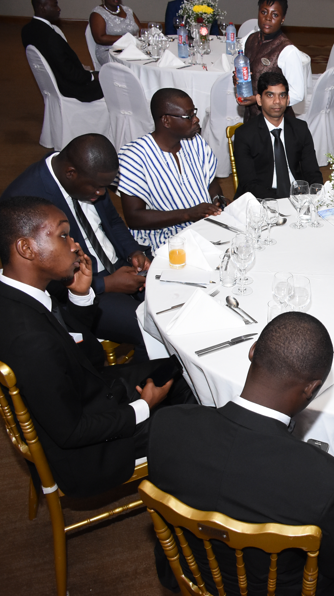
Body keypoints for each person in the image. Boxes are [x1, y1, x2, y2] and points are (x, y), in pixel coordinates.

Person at [148, 312, 334, 596]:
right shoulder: (325, 478)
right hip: (281, 589)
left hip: (195, 572)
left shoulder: (167, 424)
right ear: (312, 388)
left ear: (252, 352)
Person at [0, 196, 194, 499]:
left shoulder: (23, 292)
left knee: (183, 370)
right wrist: (143, 407)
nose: (74, 245)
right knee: (199, 425)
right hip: (90, 451)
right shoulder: (29, 339)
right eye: (63, 235)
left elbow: (86, 358)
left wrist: (81, 297)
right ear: (27, 248)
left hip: (90, 392)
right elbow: (71, 431)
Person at [1, 134, 151, 361]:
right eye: (98, 187)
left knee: (179, 298)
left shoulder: (91, 176)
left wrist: (133, 251)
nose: (102, 193)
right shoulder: (25, 199)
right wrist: (105, 284)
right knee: (150, 327)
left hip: (120, 264)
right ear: (71, 173)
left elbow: (112, 220)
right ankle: (143, 381)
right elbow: (37, 274)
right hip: (80, 290)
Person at [118, 88, 224, 254]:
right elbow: (134, 218)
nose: (196, 119)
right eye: (189, 116)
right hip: (163, 239)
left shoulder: (195, 142)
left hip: (203, 228)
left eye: (194, 113)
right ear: (166, 121)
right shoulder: (135, 156)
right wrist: (187, 214)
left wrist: (217, 199)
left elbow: (210, 182)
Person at [233, 72, 323, 199]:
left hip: (297, 195)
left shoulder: (300, 128)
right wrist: (281, 203)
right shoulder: (245, 134)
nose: (277, 101)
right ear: (259, 100)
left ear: (288, 99)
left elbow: (312, 173)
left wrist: (316, 195)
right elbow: (249, 184)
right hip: (260, 198)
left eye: (282, 95)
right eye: (270, 95)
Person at [237, 0, 311, 122]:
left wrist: (259, 100)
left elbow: (297, 94)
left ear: (282, 19)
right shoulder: (250, 39)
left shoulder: (288, 51)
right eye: (264, 12)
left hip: (276, 122)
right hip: (251, 118)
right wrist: (238, 79)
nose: (268, 18)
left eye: (275, 15)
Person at [21, 0, 103, 103]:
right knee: (113, 81)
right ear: (42, 7)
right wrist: (92, 76)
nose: (58, 9)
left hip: (54, 82)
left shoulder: (27, 30)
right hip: (71, 89)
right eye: (55, 5)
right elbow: (69, 73)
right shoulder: (51, 37)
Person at [89, 0, 141, 67]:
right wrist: (127, 38)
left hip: (131, 48)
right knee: (134, 64)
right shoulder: (97, 14)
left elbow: (141, 31)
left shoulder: (127, 10)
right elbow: (99, 38)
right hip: (109, 51)